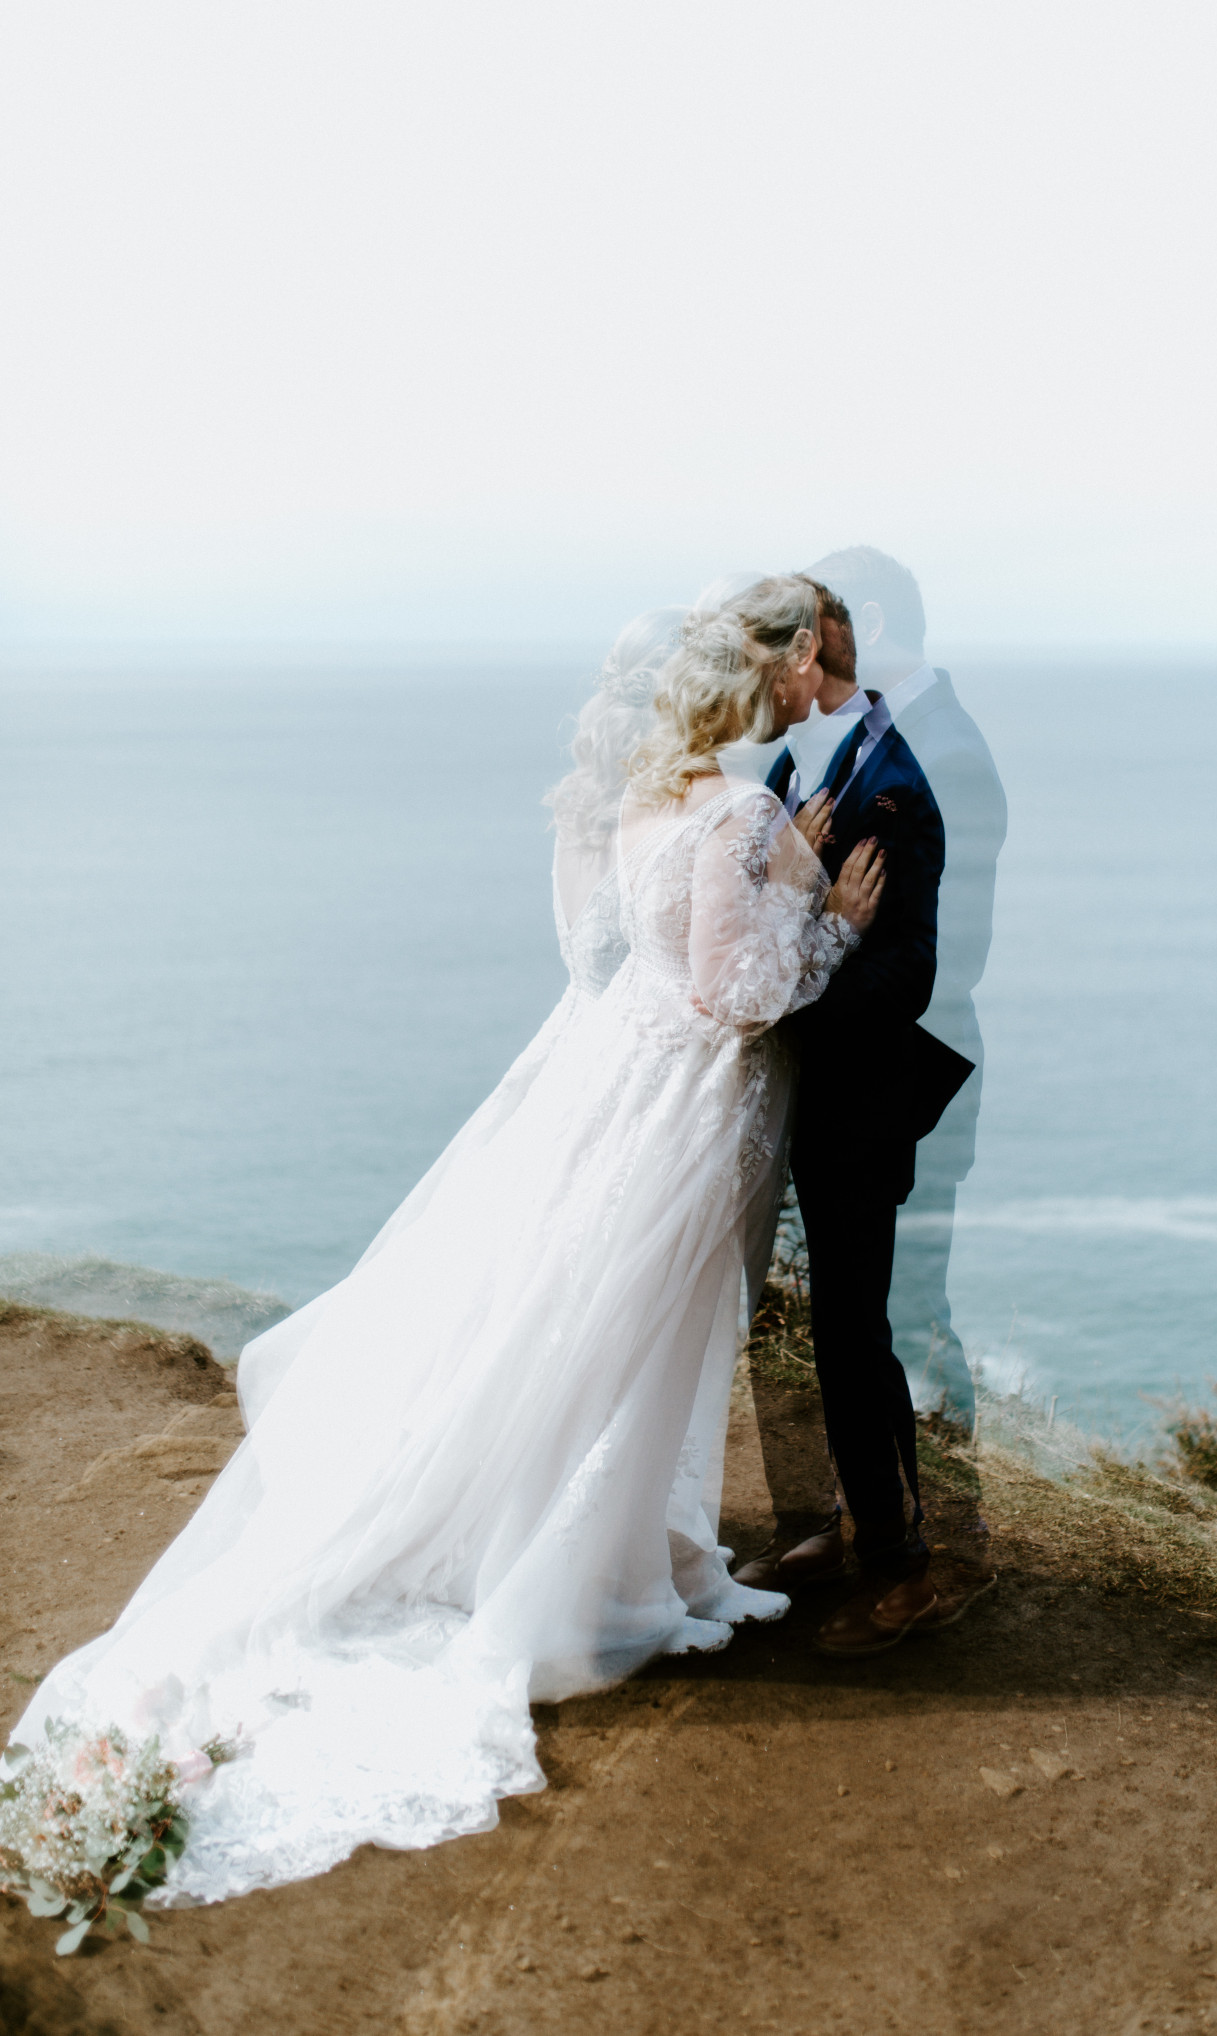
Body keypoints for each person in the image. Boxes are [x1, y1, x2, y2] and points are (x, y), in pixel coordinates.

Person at [9, 576, 884, 1905]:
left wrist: (779, 881)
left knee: (593, 1323)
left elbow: (612, 954)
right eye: (769, 680)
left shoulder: (645, 805)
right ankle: (598, 1570)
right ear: (736, 696)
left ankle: (623, 1550)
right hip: (693, 1099)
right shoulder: (741, 808)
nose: (784, 692)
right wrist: (830, 921)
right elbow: (731, 993)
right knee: (639, 1333)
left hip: (627, 1081)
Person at [734, 550, 1005, 1654]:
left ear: (860, 623)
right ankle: (840, 1518)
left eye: (810, 622)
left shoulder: (938, 756)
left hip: (899, 1070)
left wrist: (789, 993)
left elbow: (936, 960)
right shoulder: (828, 738)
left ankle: (945, 1551)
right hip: (818, 1068)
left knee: (896, 1318)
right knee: (813, 1315)